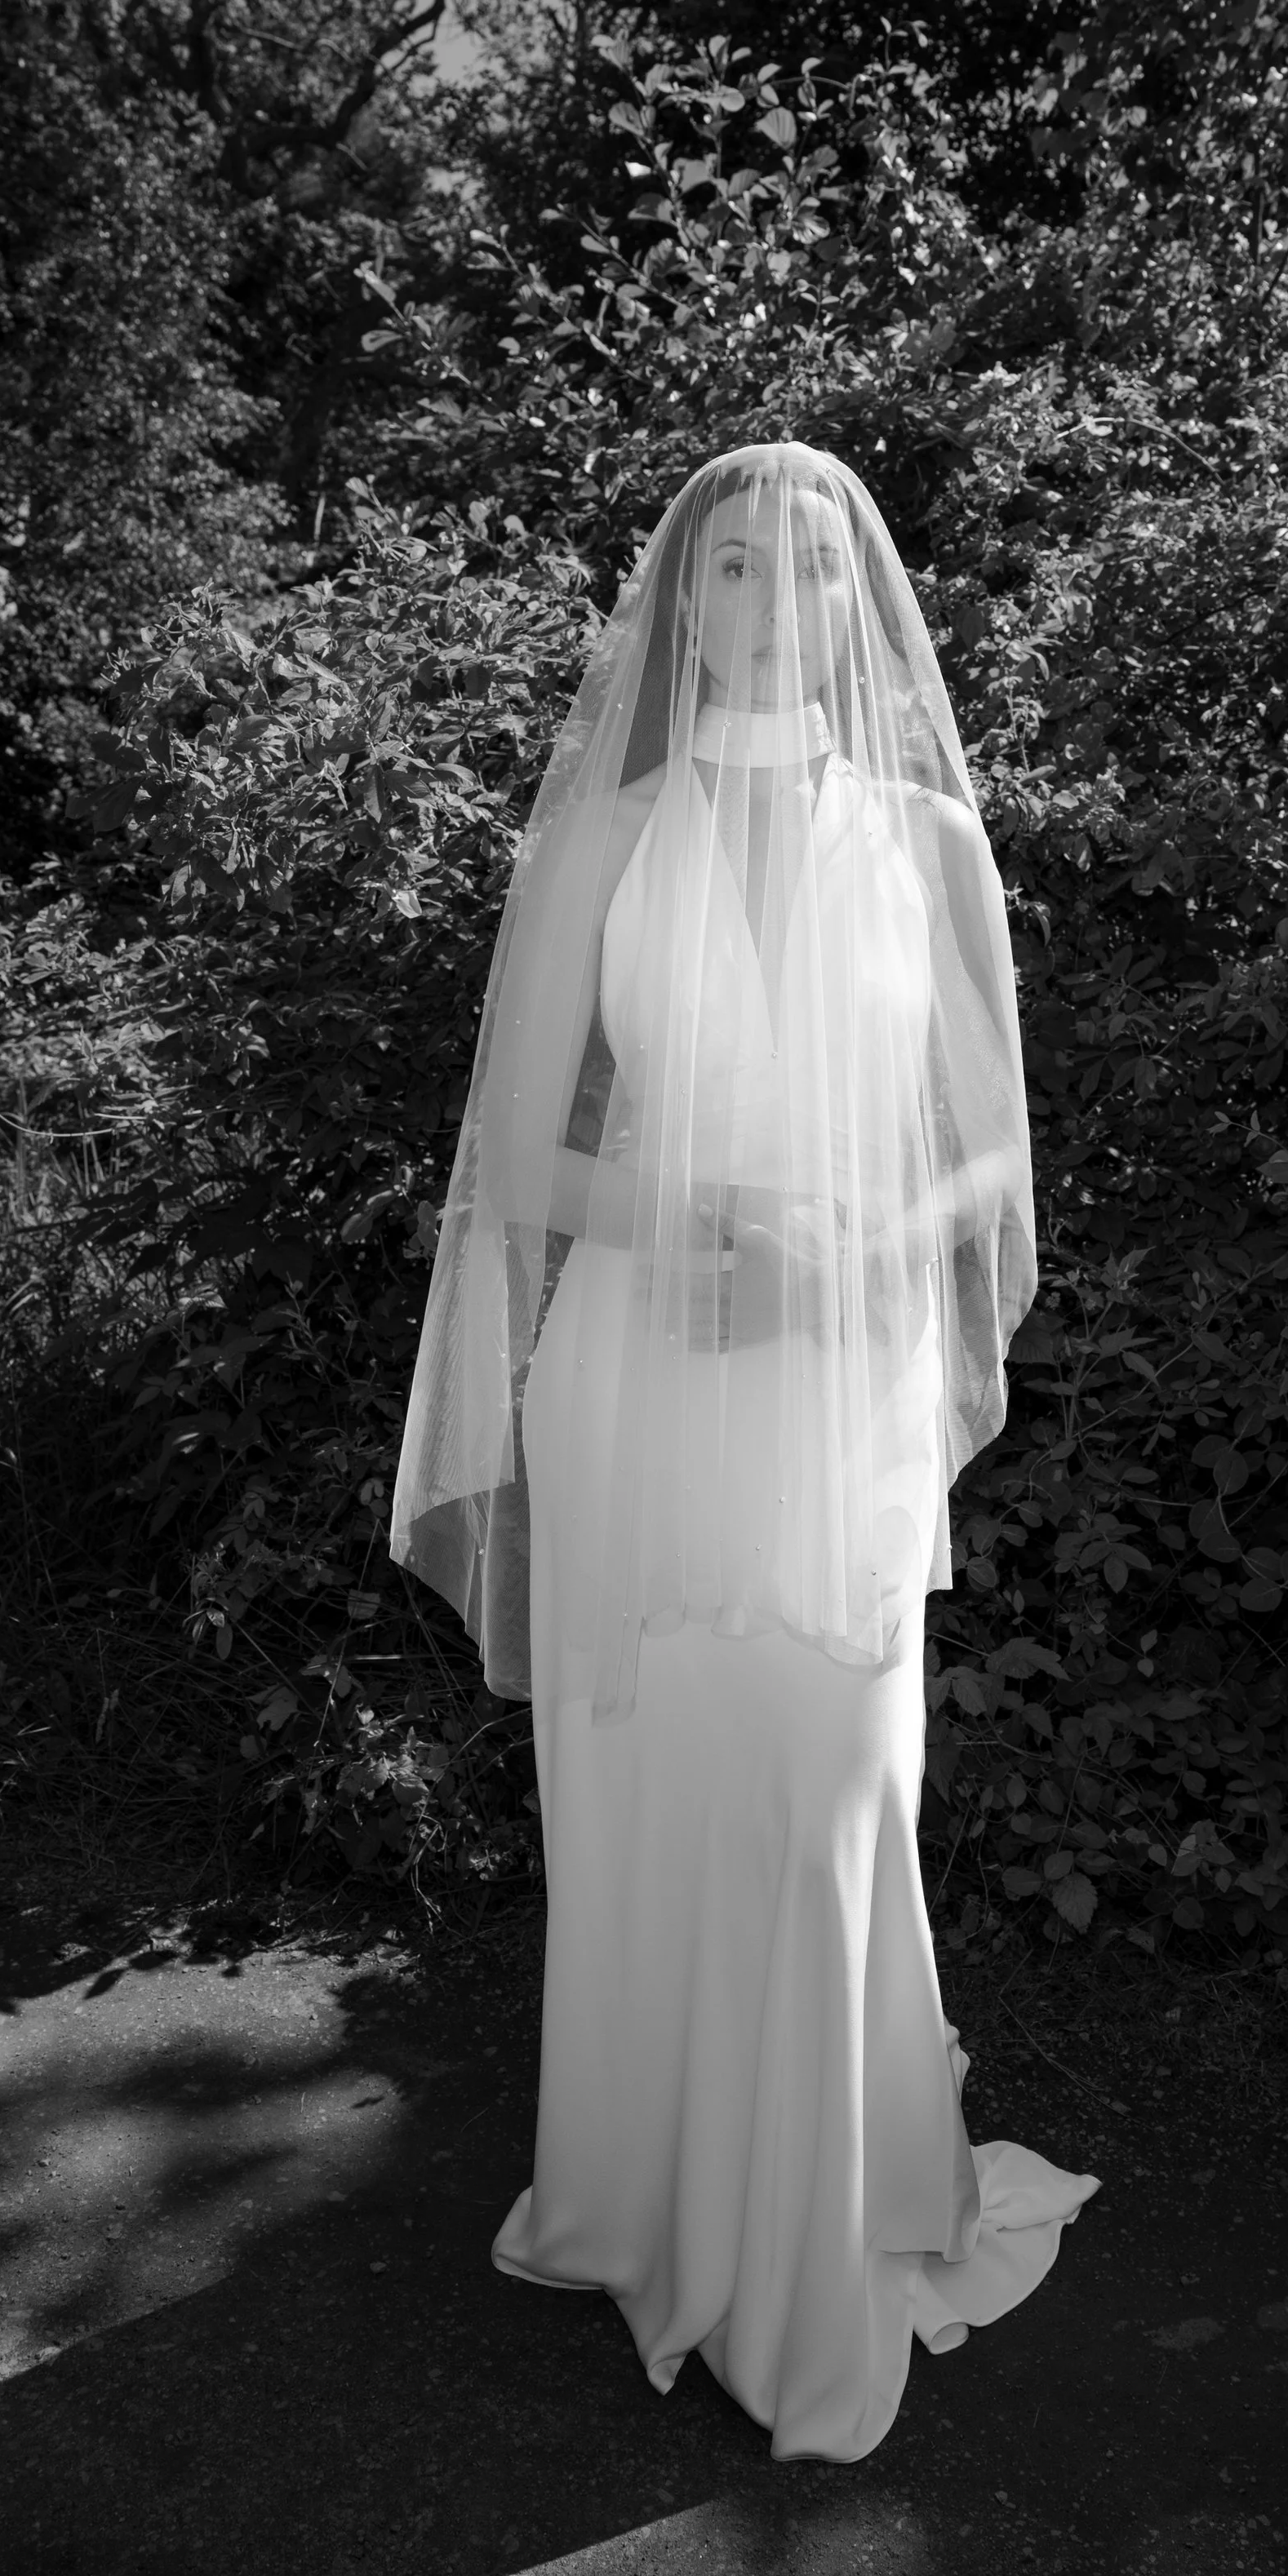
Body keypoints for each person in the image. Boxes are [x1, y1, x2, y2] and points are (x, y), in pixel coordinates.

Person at [392, 443, 1097, 2462]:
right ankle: (651, 2209)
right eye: (726, 570)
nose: (764, 605)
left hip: (838, 1386)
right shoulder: (603, 840)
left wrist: (851, 1247)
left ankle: (823, 2245)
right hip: (634, 1372)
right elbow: (510, 1157)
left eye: (804, 569)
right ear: (674, 601)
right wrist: (692, 1229)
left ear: (855, 600)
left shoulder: (930, 839)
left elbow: (991, 1156)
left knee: (825, 1802)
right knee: (648, 1808)